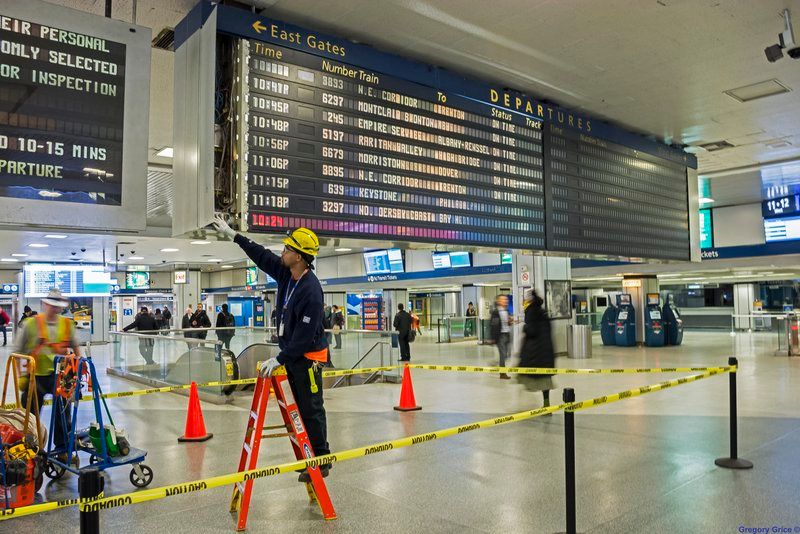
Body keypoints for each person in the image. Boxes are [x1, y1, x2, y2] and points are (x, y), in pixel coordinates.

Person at [214, 215, 331, 482]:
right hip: (293, 355)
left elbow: (304, 336)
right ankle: (308, 457)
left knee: (311, 408)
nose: (283, 251)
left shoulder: (311, 291)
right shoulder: (286, 274)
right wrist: (234, 235)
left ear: (300, 257)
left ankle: (321, 460)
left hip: (309, 358)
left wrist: (280, 358)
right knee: (299, 408)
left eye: (288, 249)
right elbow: (261, 255)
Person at [16, 289, 80, 458]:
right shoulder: (30, 324)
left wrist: (79, 368)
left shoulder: (67, 324)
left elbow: (76, 347)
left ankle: (63, 449)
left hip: (61, 377)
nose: (53, 308)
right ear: (44, 304)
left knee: (63, 413)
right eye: (50, 305)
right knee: (29, 415)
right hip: (34, 376)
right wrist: (20, 375)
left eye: (57, 306)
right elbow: (17, 351)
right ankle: (29, 449)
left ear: (61, 308)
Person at [518, 290, 555, 410]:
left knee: (525, 377)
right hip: (546, 353)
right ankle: (546, 404)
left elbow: (532, 331)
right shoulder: (543, 312)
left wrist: (524, 327)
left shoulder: (530, 312)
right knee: (545, 382)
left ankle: (522, 404)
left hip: (534, 353)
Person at [490, 295, 513, 379]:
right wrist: (493, 338)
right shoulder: (495, 312)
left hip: (507, 334)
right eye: (503, 300)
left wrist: (510, 322)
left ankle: (497, 362)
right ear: (499, 301)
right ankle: (502, 374)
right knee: (503, 354)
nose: (506, 301)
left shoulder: (506, 311)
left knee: (507, 354)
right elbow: (493, 326)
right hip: (501, 336)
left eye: (506, 300)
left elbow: (507, 322)